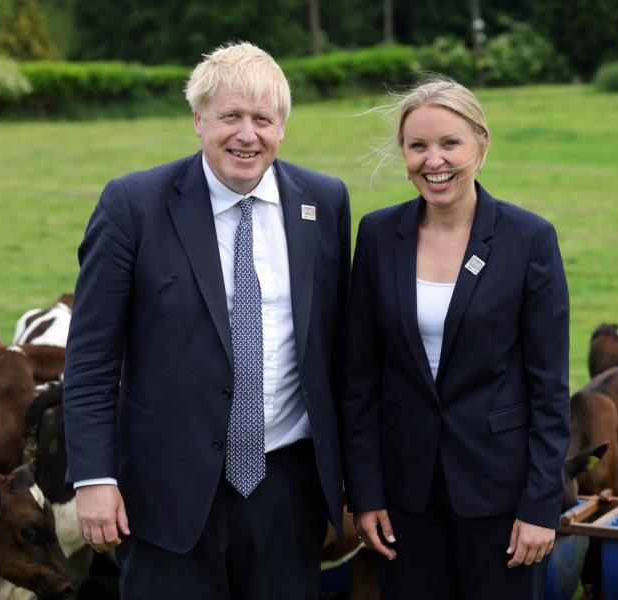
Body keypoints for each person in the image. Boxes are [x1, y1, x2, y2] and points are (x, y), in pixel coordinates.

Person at [62, 41, 351, 598]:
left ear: (283, 127)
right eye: (230, 117)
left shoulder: (324, 202)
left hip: (288, 490)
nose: (247, 135)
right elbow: (92, 358)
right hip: (166, 489)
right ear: (198, 120)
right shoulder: (133, 205)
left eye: (263, 119)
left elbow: (340, 351)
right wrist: (95, 479)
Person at [341, 78, 570, 599]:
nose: (433, 160)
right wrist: (367, 492)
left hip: (502, 499)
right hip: (404, 499)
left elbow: (550, 388)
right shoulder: (378, 236)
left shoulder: (528, 238)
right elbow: (359, 378)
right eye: (417, 145)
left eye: (450, 143)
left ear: (481, 145)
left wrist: (541, 506)